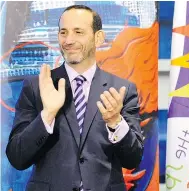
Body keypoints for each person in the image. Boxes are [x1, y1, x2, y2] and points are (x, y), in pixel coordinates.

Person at [6, 5, 144, 191]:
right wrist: (47, 115)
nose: (68, 40)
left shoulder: (122, 90)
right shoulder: (37, 86)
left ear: (98, 38)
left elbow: (133, 158)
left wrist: (115, 123)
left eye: (78, 32)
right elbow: (17, 157)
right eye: (63, 32)